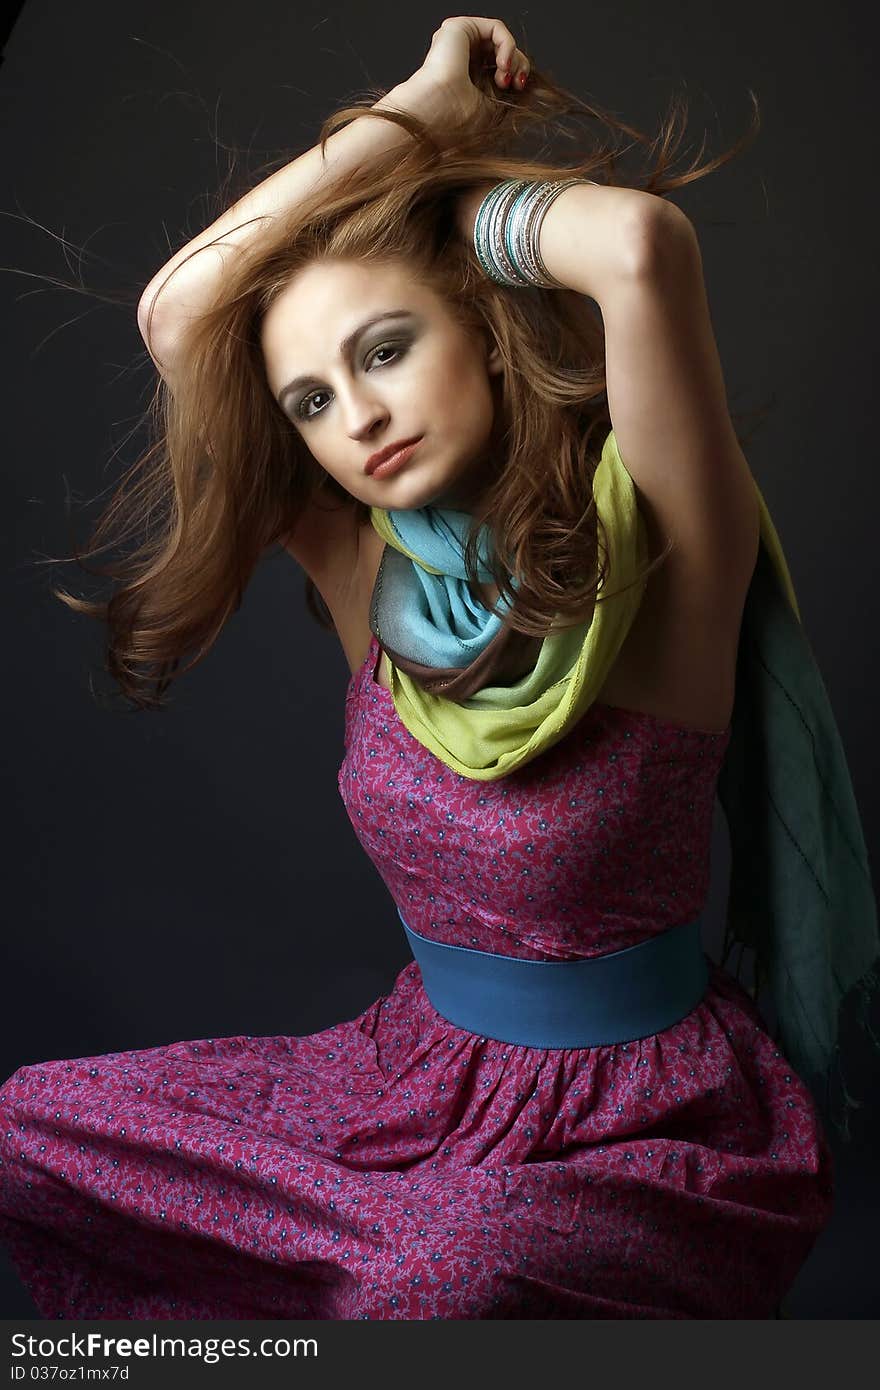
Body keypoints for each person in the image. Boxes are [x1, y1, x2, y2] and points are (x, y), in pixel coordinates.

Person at [0, 15, 855, 1320]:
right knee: (32, 1124)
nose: (360, 419)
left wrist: (442, 211)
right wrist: (415, 113)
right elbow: (183, 318)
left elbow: (638, 244)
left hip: (642, 1121)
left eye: (386, 348)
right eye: (311, 400)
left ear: (480, 324)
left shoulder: (669, 545)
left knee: (433, 1283)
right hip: (419, 1086)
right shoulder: (369, 579)